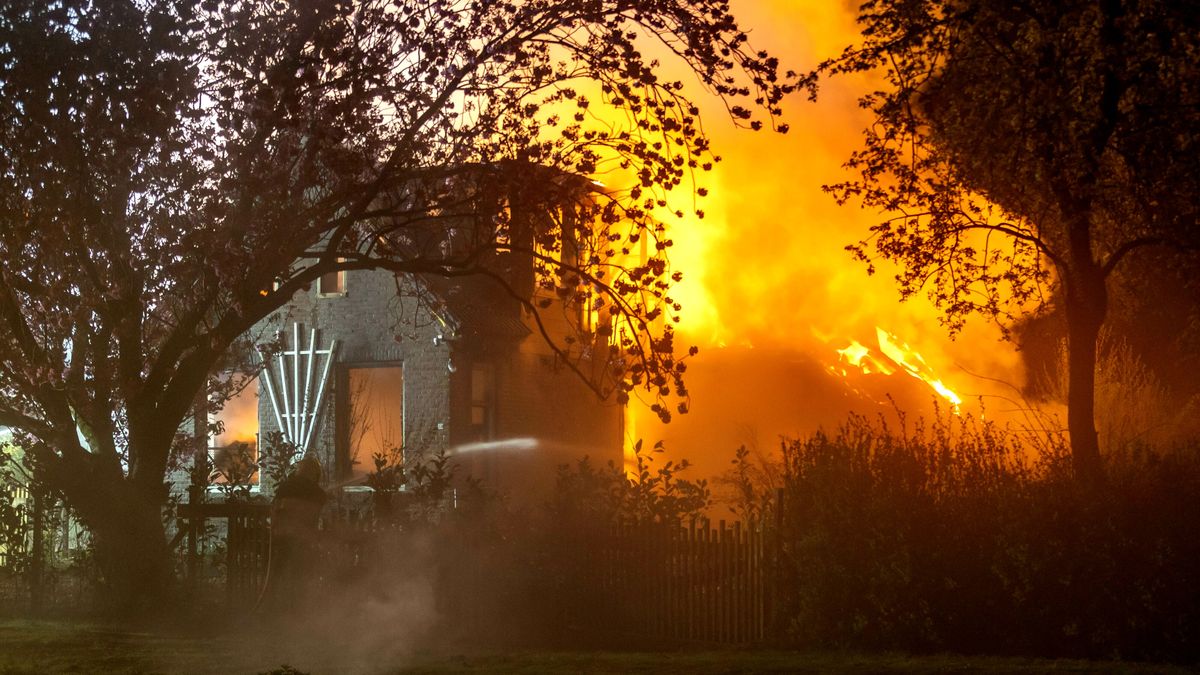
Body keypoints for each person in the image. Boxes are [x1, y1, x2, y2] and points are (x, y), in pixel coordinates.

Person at [259, 454, 327, 613]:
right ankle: (297, 608)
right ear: (314, 473)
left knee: (277, 572)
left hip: (282, 535)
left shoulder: (285, 487)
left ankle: (271, 607)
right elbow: (314, 518)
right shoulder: (318, 494)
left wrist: (275, 529)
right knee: (300, 574)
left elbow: (275, 510)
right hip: (304, 540)